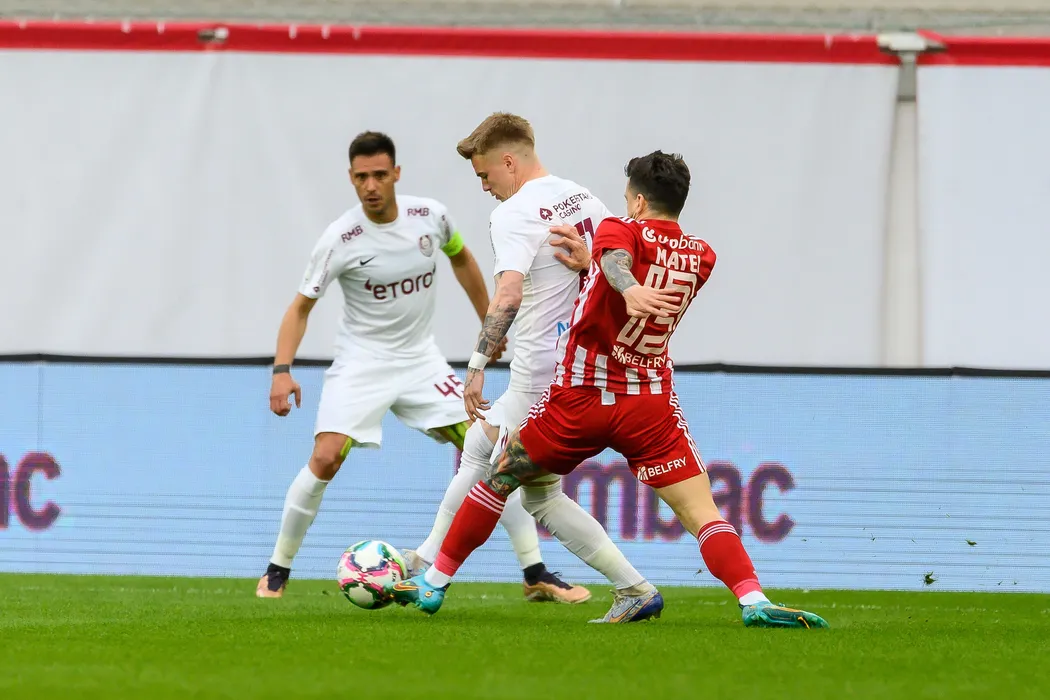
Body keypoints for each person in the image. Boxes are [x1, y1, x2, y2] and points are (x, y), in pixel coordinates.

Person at [389, 150, 830, 629]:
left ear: (638, 201)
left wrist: (624, 283)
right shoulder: (702, 256)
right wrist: (598, 270)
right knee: (702, 512)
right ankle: (753, 599)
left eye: (626, 198)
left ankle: (434, 581)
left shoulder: (618, 230)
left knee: (500, 477)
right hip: (648, 403)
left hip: (581, 398)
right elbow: (625, 267)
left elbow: (619, 260)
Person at [257, 131, 583, 600]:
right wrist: (281, 370)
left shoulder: (431, 218)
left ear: (396, 174)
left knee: (493, 453)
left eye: (379, 175)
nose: (371, 185)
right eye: (361, 177)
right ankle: (277, 570)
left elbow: (464, 261)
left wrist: (488, 326)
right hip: (361, 365)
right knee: (326, 456)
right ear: (351, 178)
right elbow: (299, 308)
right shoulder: (340, 238)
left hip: (421, 362)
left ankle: (535, 573)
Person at [399, 113, 664, 622]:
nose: (484, 187)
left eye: (484, 175)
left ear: (508, 161)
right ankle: (424, 560)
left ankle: (432, 577)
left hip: (542, 372)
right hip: (581, 360)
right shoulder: (584, 197)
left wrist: (477, 362)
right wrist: (589, 263)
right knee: (482, 448)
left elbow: (509, 293)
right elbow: (619, 267)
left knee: (534, 491)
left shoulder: (513, 213)